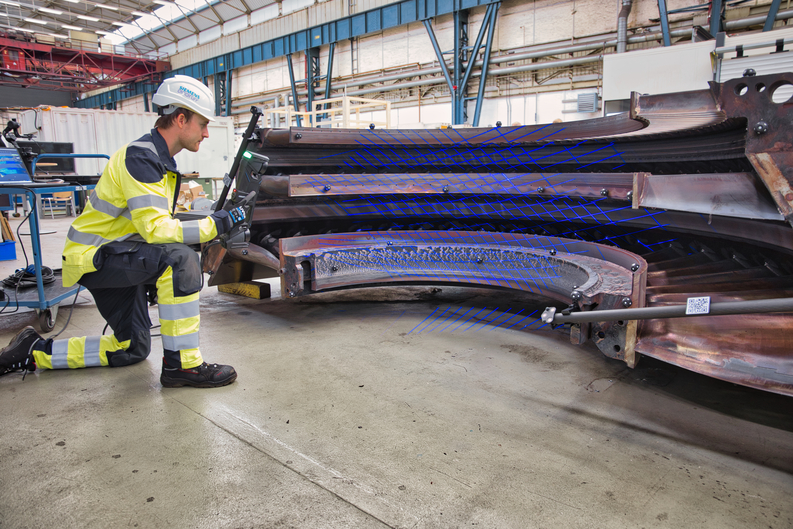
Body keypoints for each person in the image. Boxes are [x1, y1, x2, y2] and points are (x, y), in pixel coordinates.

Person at [0, 75, 247, 388]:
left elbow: (149, 222)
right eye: (203, 124)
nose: (207, 133)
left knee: (130, 349)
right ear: (181, 119)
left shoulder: (158, 159)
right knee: (180, 260)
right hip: (96, 256)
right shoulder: (142, 158)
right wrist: (218, 223)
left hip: (112, 254)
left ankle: (35, 351)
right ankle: (183, 366)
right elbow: (157, 230)